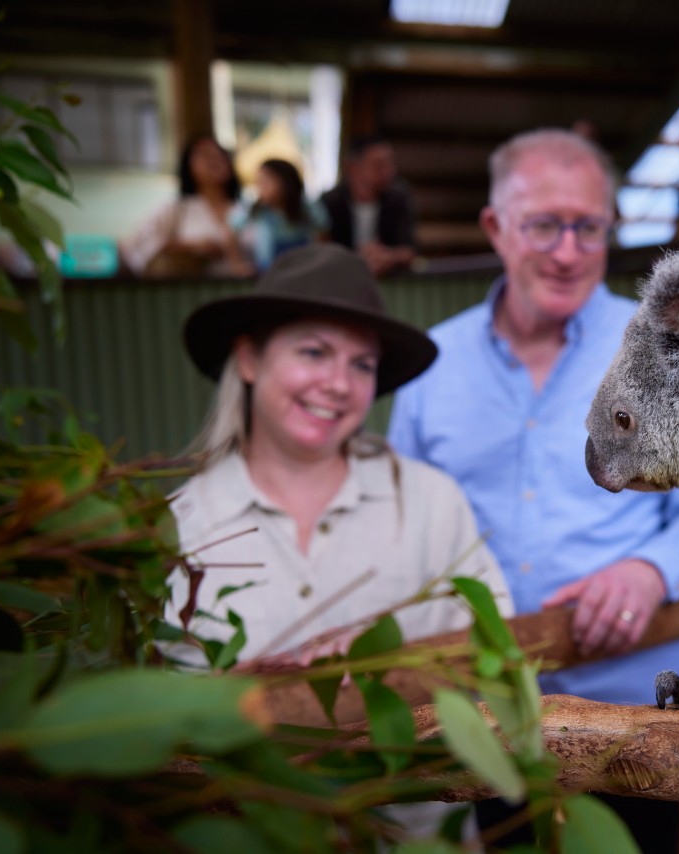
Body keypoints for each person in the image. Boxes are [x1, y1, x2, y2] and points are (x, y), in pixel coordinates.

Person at [387, 128, 679, 852]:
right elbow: (398, 527)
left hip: (633, 721)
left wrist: (653, 571)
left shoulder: (665, 353)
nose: (567, 249)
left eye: (588, 226)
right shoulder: (432, 367)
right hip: (486, 715)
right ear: (496, 227)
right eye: (544, 224)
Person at [167, 243, 511, 840]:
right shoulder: (181, 524)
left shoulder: (429, 501)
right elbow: (156, 717)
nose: (338, 384)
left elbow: (498, 653)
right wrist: (241, 694)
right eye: (314, 352)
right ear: (248, 358)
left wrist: (389, 669)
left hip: (415, 833)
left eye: (361, 364)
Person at [120, 134, 246, 278]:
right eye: (205, 154)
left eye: (220, 153)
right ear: (188, 166)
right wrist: (191, 247)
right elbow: (139, 242)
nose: (215, 158)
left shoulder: (245, 209)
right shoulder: (179, 208)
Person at [320, 136, 417, 277]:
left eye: (390, 164)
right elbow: (320, 250)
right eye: (379, 165)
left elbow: (410, 249)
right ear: (354, 168)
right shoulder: (330, 202)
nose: (389, 171)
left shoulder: (398, 199)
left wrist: (387, 256)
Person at [230, 158, 330, 273]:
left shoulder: (307, 207)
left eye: (265, 182)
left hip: (304, 270)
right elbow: (230, 231)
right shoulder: (257, 209)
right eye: (259, 183)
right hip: (267, 272)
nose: (261, 188)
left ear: (285, 182)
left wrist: (318, 262)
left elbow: (324, 233)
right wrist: (237, 265)